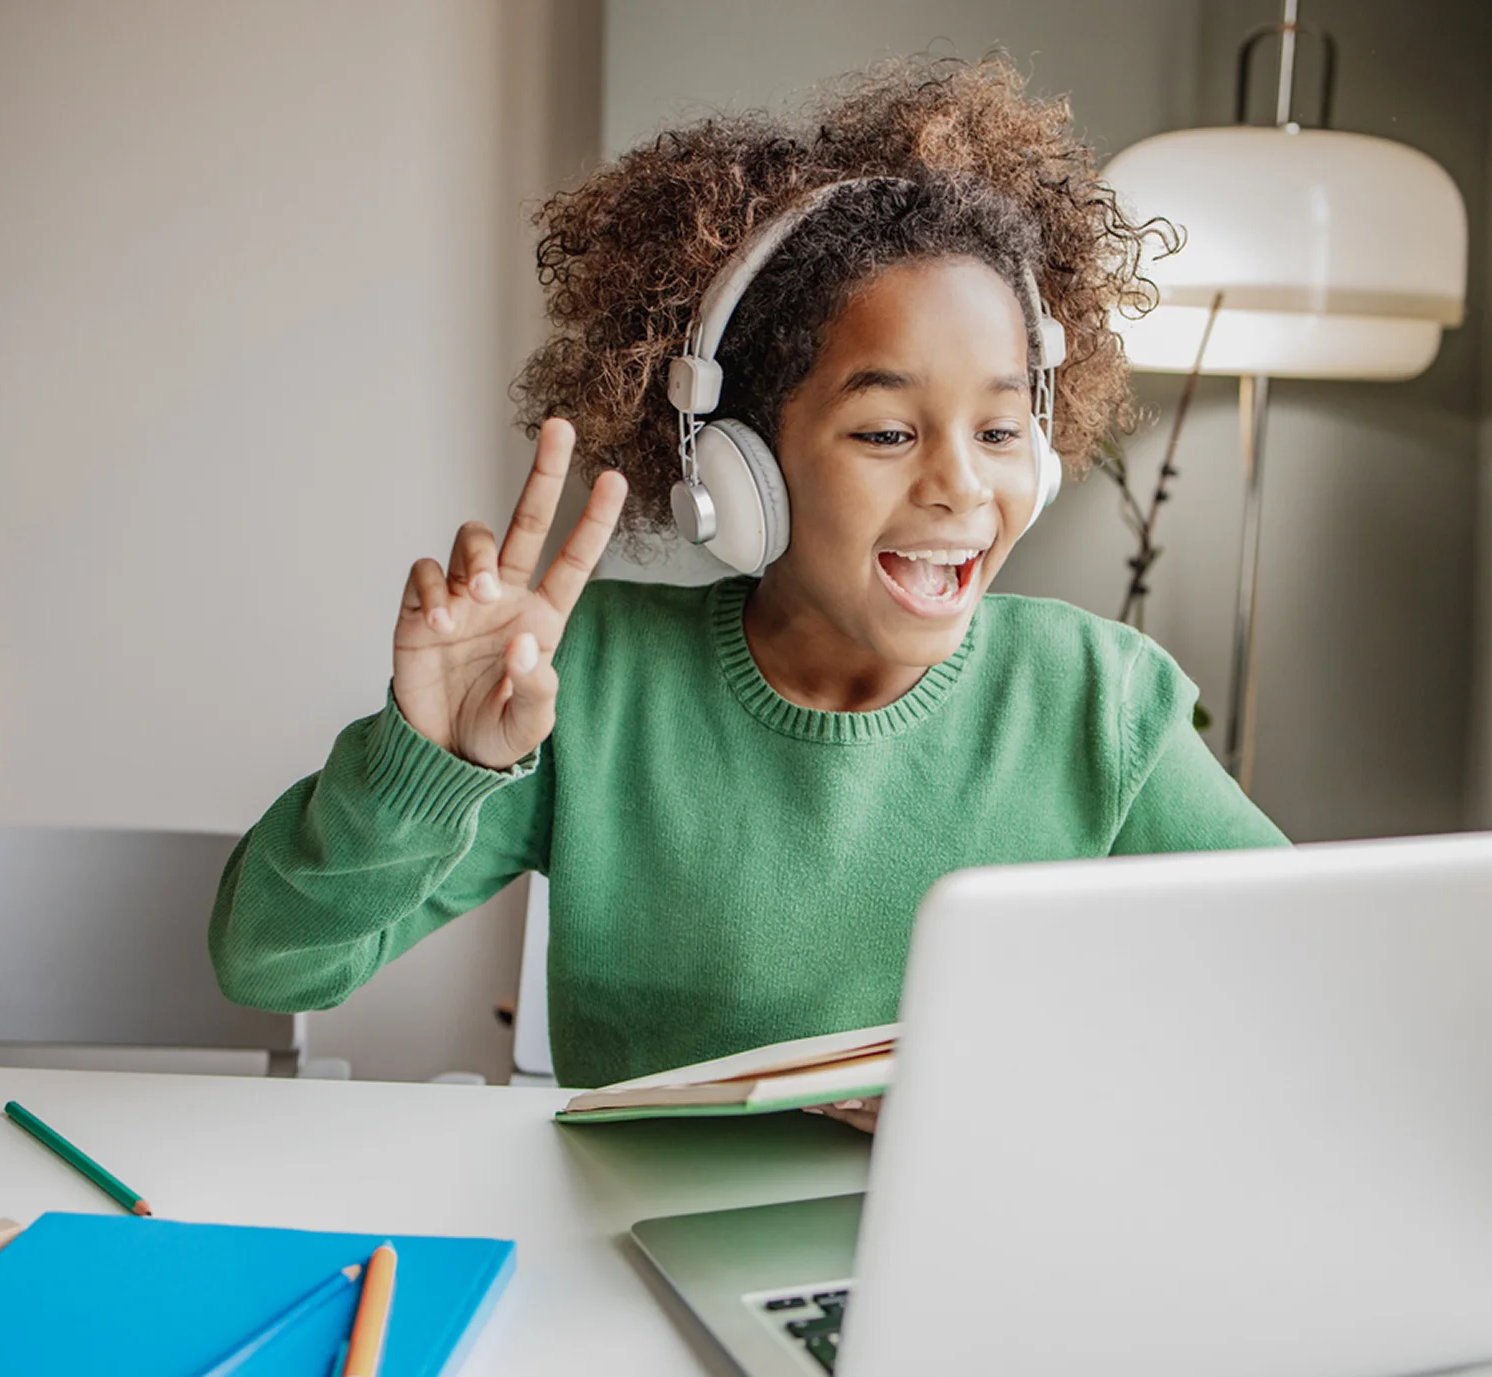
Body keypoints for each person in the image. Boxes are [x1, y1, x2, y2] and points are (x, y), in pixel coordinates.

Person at [209, 58, 1285, 1107]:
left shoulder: (1102, 700)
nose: (960, 484)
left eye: (1001, 429)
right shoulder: (585, 683)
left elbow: (1316, 985)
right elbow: (271, 966)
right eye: (885, 430)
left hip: (979, 1251)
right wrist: (426, 762)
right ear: (738, 470)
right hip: (637, 1251)